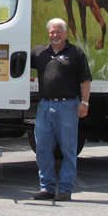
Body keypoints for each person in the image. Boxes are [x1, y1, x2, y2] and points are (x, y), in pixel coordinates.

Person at [31, 17, 92, 201]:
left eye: (58, 32)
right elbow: (21, 65)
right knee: (42, 148)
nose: (54, 35)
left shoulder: (75, 53)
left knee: (68, 149)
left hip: (68, 106)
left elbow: (85, 80)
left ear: (65, 34)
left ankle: (65, 189)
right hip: (44, 106)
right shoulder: (40, 52)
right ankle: (47, 188)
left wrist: (85, 103)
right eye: (51, 32)